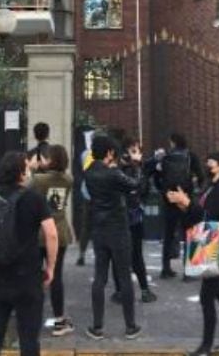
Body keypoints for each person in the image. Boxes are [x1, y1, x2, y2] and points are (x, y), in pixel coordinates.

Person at [0, 151, 58, 356]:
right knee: (28, 337)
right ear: (21, 173)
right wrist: (50, 267)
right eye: (26, 166)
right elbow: (51, 234)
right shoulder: (34, 198)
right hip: (27, 277)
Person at [167, 152, 219, 356]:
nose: (207, 164)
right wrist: (184, 204)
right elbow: (200, 215)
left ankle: (206, 346)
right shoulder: (211, 187)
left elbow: (208, 217)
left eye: (211, 162)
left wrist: (186, 203)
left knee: (206, 297)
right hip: (210, 243)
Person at [84, 135, 144, 340]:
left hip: (99, 230)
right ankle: (130, 326)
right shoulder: (113, 174)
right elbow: (135, 184)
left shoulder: (89, 173)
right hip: (118, 230)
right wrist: (136, 163)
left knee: (100, 277)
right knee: (124, 276)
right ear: (109, 152)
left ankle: (97, 327)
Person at [31, 144, 75, 337]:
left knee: (35, 275)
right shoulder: (68, 179)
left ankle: (32, 319)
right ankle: (59, 320)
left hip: (38, 232)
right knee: (55, 275)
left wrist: (34, 168)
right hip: (60, 231)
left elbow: (27, 191)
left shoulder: (38, 180)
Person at [111, 137, 158, 304]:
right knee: (133, 255)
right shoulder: (129, 170)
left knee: (123, 255)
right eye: (134, 150)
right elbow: (140, 189)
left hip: (126, 217)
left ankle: (121, 292)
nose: (138, 154)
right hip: (130, 217)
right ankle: (142, 291)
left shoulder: (120, 169)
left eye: (138, 150)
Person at [154, 132, 205, 278]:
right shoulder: (191, 156)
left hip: (169, 200)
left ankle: (165, 269)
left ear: (172, 142)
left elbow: (157, 178)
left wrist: (164, 192)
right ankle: (188, 272)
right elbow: (201, 176)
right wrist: (196, 192)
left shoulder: (165, 157)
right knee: (189, 234)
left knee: (168, 235)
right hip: (185, 199)